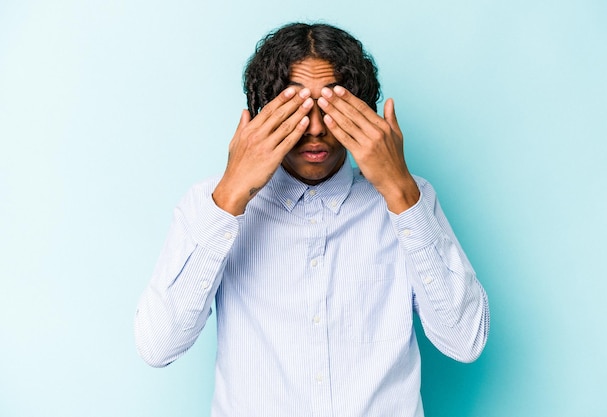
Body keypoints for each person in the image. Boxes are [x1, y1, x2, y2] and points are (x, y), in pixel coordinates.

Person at [135, 22, 489, 417]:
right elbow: (158, 345)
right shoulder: (209, 203)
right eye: (298, 110)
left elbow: (465, 341)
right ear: (263, 113)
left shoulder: (409, 199)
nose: (316, 130)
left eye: (332, 109)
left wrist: (401, 192)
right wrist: (231, 195)